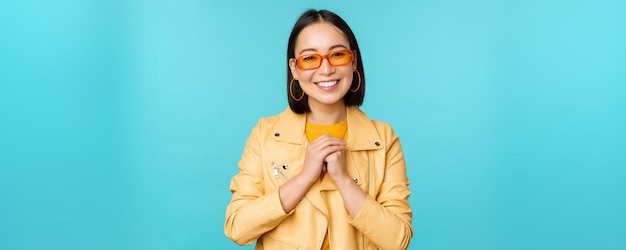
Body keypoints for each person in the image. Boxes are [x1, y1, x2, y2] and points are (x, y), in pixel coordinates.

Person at [225, 9, 412, 250]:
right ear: (294, 68)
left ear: (353, 61)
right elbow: (237, 229)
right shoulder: (265, 134)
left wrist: (343, 180)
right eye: (310, 58)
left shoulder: (383, 139)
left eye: (337, 54)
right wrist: (304, 178)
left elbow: (398, 240)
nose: (326, 70)